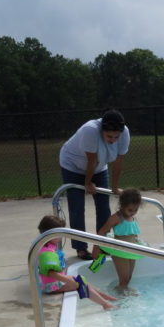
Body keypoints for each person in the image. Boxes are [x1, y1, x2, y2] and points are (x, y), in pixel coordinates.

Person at [59, 109, 130, 260]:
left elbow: (118, 162)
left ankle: (102, 245)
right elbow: (92, 160)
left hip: (99, 167)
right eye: (109, 136)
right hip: (72, 166)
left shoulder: (125, 134)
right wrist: (87, 183)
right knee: (77, 207)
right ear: (102, 130)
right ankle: (81, 248)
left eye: (116, 137)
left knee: (104, 205)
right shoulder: (90, 131)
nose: (112, 140)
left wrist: (114, 187)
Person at [36, 215, 117, 310]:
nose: (61, 236)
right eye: (59, 233)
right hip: (51, 287)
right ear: (50, 234)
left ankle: (103, 296)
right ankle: (105, 304)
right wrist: (69, 280)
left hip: (52, 283)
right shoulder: (47, 252)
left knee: (81, 280)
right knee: (80, 284)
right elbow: (51, 273)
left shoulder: (47, 245)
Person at [93, 188, 145, 293]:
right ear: (122, 205)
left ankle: (124, 290)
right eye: (130, 210)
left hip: (131, 250)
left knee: (129, 277)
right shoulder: (116, 218)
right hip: (119, 251)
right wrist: (96, 248)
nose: (133, 213)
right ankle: (119, 295)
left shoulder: (132, 218)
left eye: (135, 210)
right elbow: (102, 232)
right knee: (124, 278)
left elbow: (133, 234)